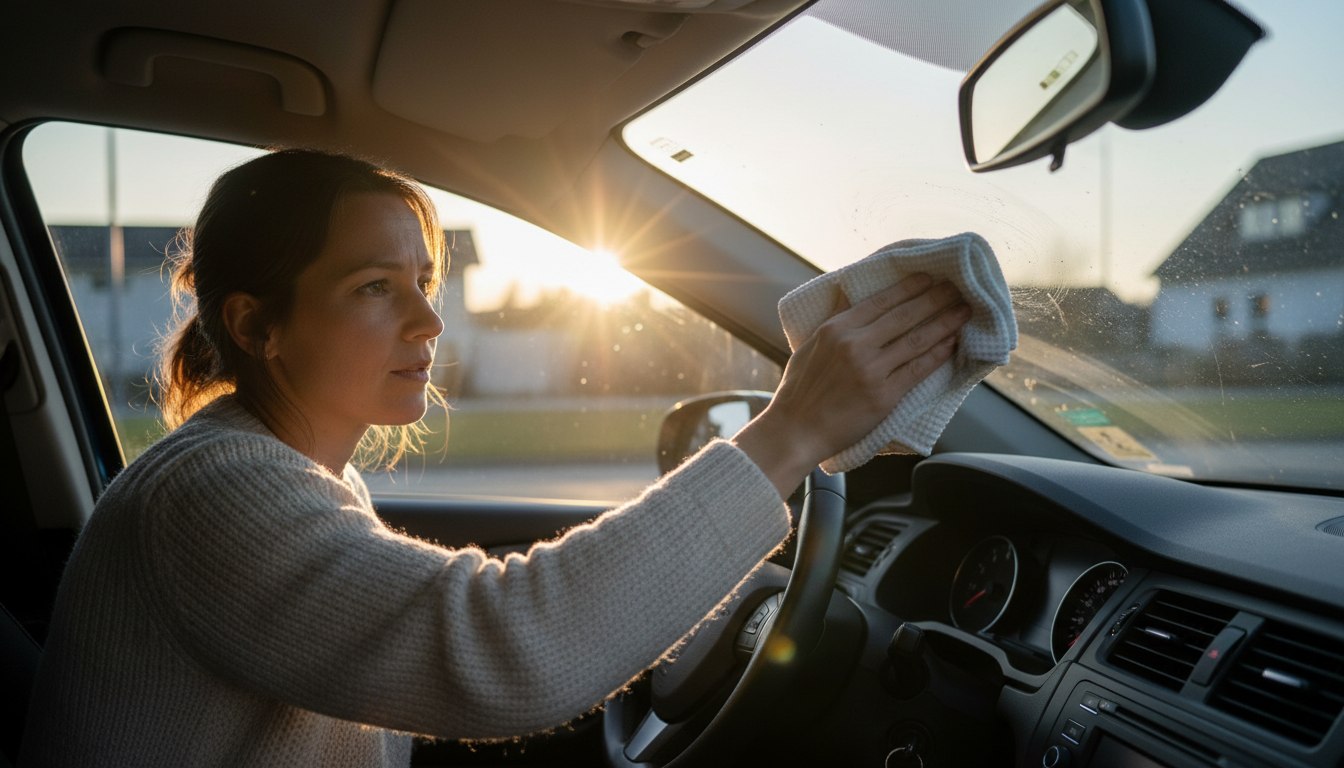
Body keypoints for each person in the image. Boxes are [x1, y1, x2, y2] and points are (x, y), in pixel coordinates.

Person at [19, 149, 970, 767]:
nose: (429, 320)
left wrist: (680, 605)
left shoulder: (300, 476)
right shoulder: (213, 493)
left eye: (424, 283)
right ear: (259, 324)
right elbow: (502, 650)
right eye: (373, 287)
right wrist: (792, 430)